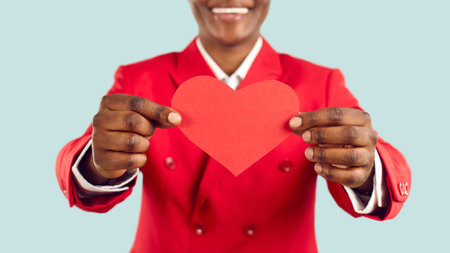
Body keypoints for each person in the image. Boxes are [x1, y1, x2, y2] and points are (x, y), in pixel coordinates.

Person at [56, 0, 411, 252]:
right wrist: (98, 162)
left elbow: (388, 170)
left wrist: (367, 167)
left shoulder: (320, 83)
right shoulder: (140, 79)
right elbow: (81, 165)